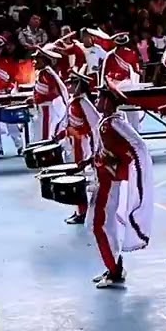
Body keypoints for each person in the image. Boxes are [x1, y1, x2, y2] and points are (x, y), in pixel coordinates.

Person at [89, 87, 153, 289]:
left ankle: (115, 271)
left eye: (100, 97)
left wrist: (122, 166)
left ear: (108, 102)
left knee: (101, 226)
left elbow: (138, 147)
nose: (97, 100)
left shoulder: (114, 123)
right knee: (103, 225)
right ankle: (113, 266)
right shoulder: (108, 123)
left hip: (111, 182)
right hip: (105, 180)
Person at [61, 73, 100, 226]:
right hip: (74, 143)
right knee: (77, 177)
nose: (69, 85)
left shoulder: (83, 102)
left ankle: (83, 212)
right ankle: (80, 210)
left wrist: (91, 144)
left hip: (82, 144)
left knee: (80, 179)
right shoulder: (74, 101)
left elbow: (95, 125)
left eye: (73, 83)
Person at [30, 47, 69, 145]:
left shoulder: (47, 73)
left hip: (49, 107)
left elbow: (53, 93)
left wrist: (36, 99)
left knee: (46, 134)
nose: (35, 61)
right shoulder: (42, 73)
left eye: (38, 58)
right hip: (43, 108)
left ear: (44, 60)